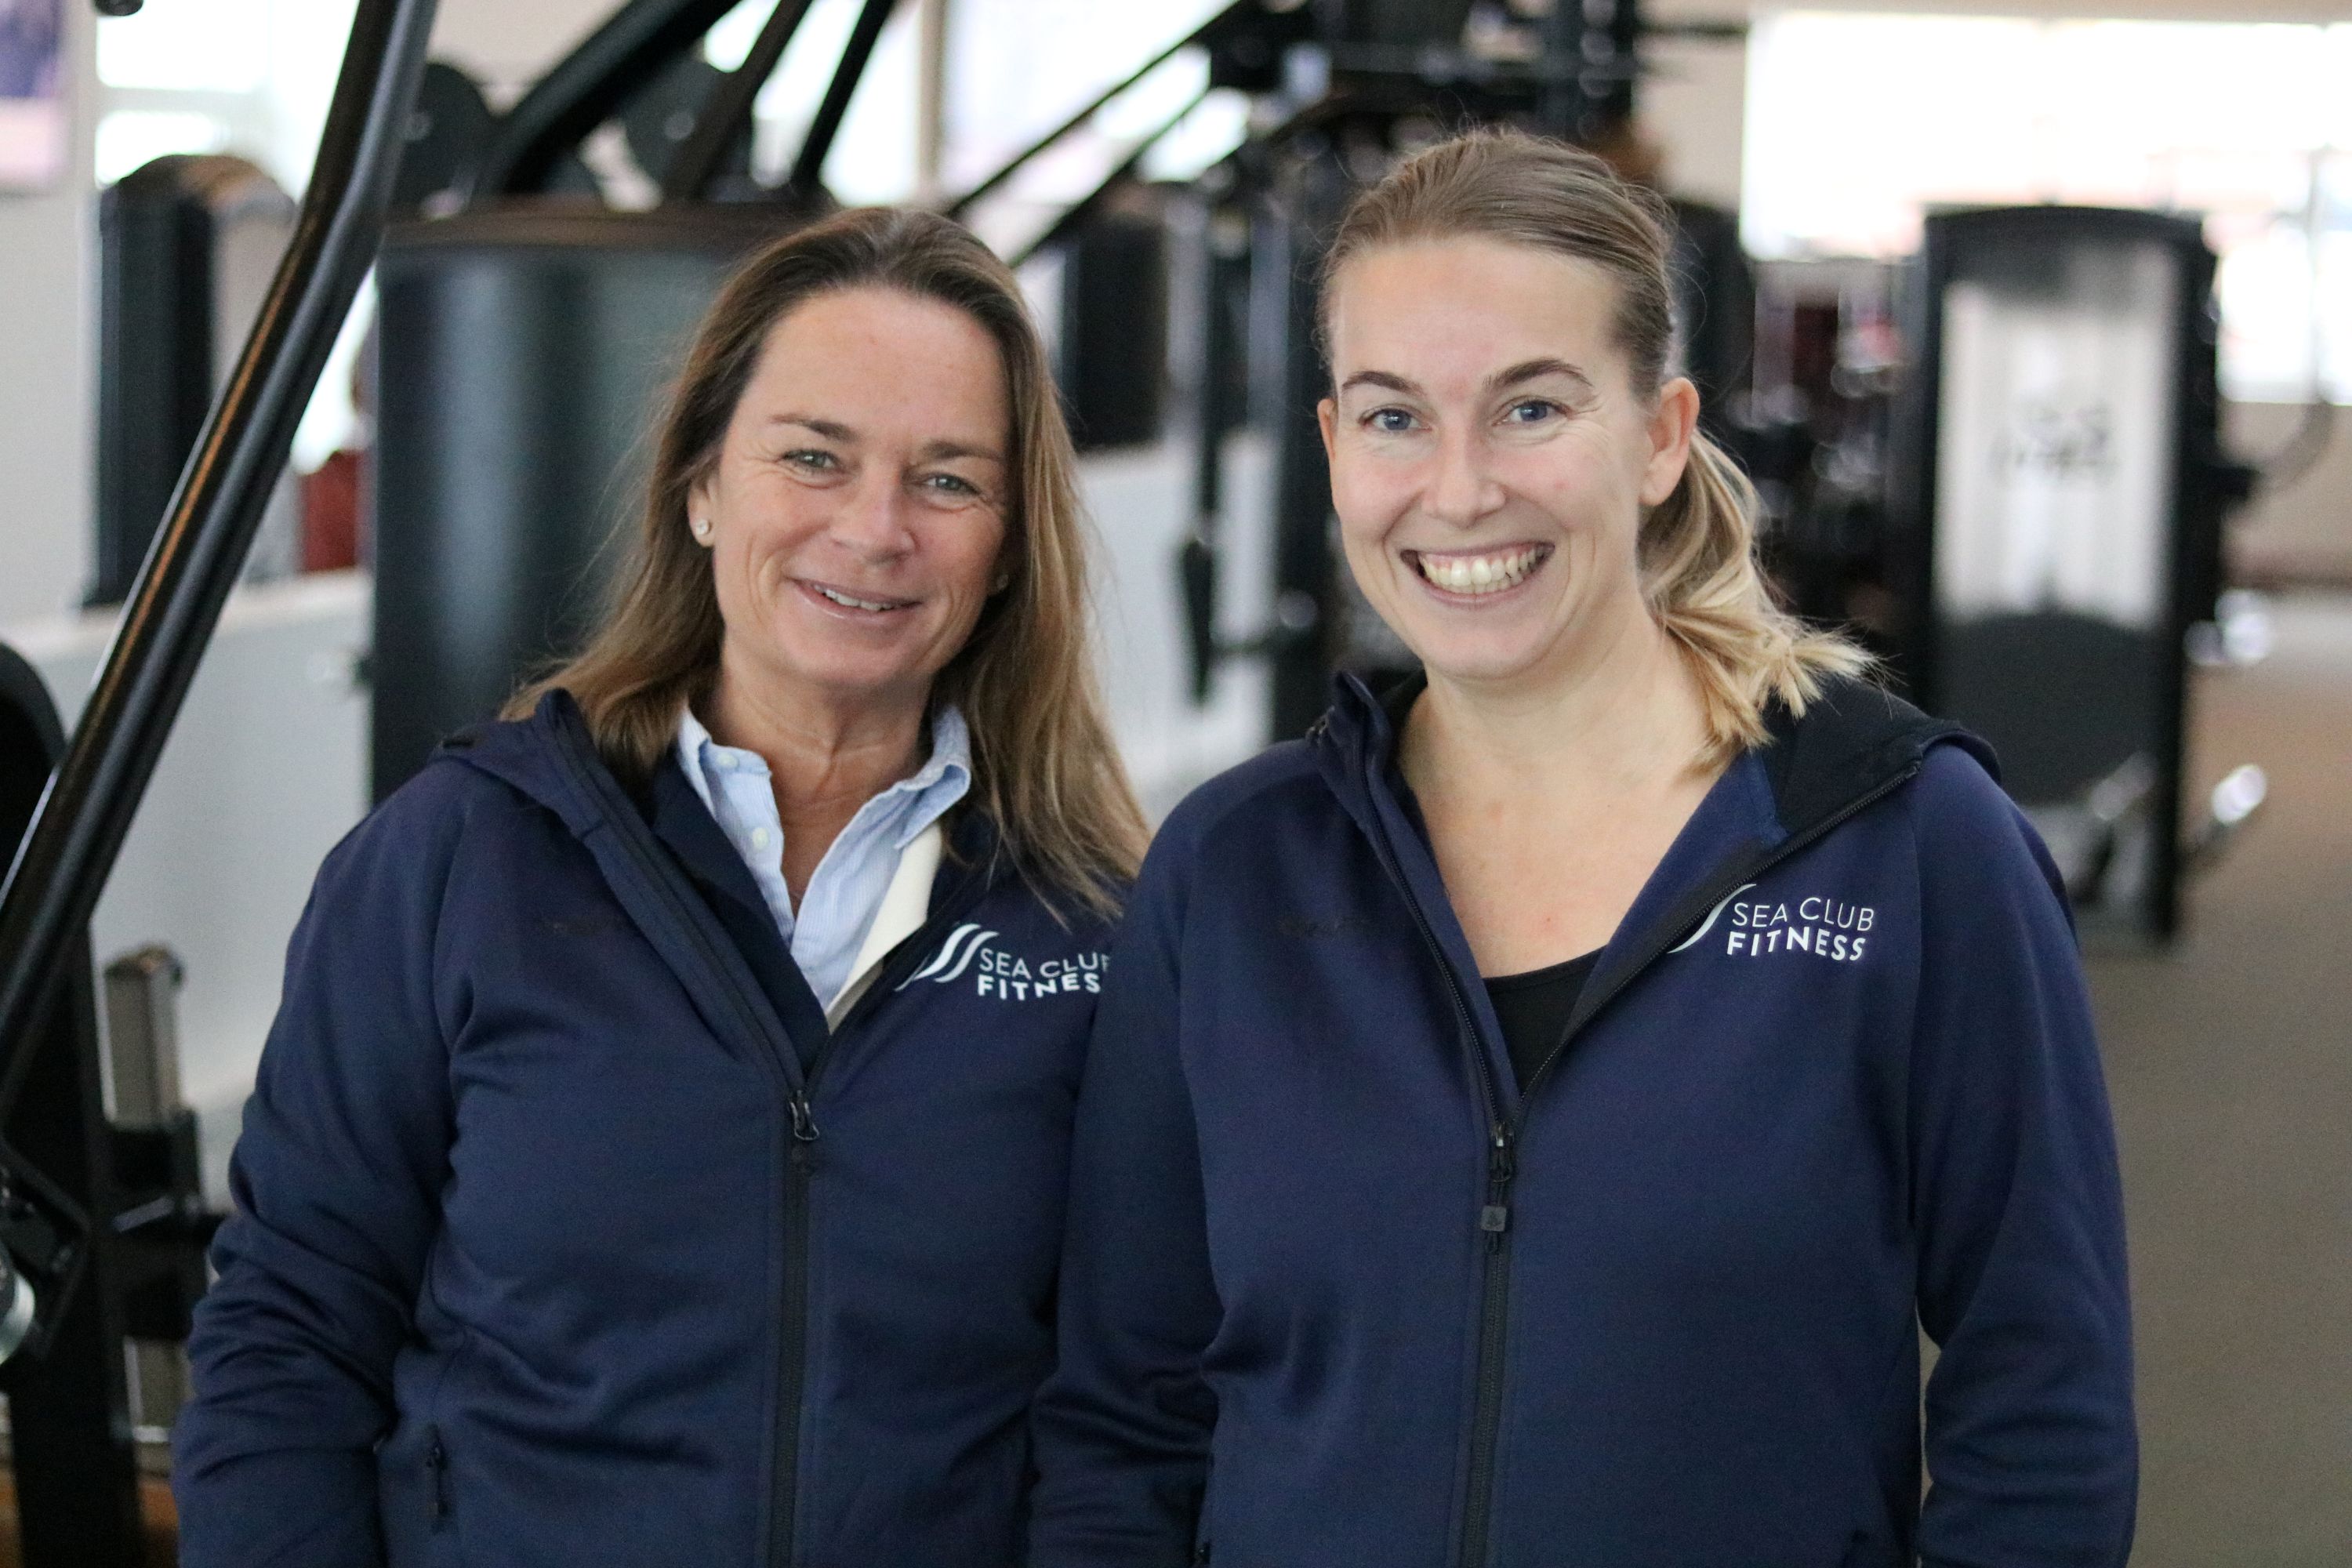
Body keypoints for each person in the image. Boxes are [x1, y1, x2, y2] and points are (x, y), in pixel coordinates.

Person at [1029, 129, 2135, 1567]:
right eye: (1395, 417)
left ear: (1661, 435)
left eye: (1532, 408)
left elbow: (2045, 1409)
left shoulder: (1907, 848)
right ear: (1335, 446)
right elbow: (1127, 1415)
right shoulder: (1234, 869)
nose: (1459, 489)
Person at [173, 206, 1145, 1566]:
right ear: (700, 489)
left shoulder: (1099, 920)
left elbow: (1130, 1408)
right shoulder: (458, 859)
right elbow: (289, 1334)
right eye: (812, 457)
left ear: (1008, 546)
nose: (874, 530)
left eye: (948, 480)